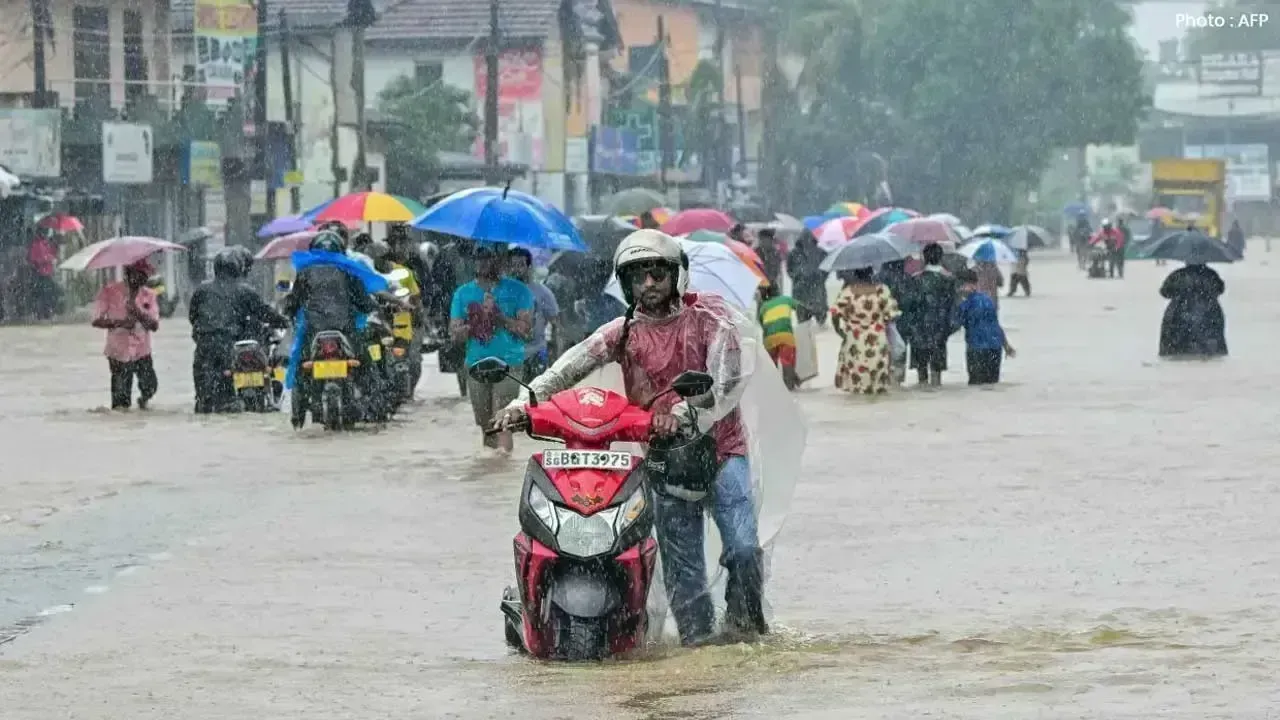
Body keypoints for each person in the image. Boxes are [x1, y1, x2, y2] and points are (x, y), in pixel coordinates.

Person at [497, 229, 768, 646]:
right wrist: (523, 403)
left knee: (745, 548)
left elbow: (726, 380)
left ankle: (745, 630)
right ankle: (698, 650)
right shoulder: (622, 331)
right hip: (664, 458)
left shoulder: (711, 318)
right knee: (683, 569)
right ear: (626, 284)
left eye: (658, 273)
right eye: (638, 276)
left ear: (677, 275)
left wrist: (685, 412)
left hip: (722, 450)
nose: (649, 284)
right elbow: (570, 366)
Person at [282, 231, 380, 428]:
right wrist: (373, 306)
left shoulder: (305, 273)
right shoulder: (348, 271)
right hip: (345, 331)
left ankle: (298, 416)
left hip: (314, 332)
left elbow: (293, 303)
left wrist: (289, 313)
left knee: (301, 369)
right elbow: (364, 303)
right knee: (368, 368)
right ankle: (374, 410)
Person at [450, 243, 534, 453]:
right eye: (479, 258)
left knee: (502, 421)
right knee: (486, 424)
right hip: (476, 363)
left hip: (509, 363)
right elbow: (455, 335)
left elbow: (525, 331)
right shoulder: (463, 293)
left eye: (488, 257)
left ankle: (503, 465)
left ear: (499, 260)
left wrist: (499, 316)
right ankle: (490, 467)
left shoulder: (519, 290)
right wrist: (477, 321)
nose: (483, 263)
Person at [188, 249, 288, 413]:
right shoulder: (245, 291)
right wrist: (284, 321)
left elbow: (193, 317)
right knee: (226, 398)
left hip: (205, 347)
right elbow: (265, 313)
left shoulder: (202, 290)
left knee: (203, 398)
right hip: (232, 346)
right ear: (238, 268)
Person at [92, 259, 161, 410]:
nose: (144, 278)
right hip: (118, 351)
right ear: (128, 274)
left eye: (145, 274)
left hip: (142, 350)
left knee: (150, 386)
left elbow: (154, 325)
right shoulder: (109, 292)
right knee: (121, 402)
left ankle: (143, 401)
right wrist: (120, 323)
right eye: (140, 274)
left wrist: (138, 313)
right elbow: (96, 320)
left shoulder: (149, 295)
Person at [830, 266, 900, 395]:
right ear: (872, 273)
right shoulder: (882, 290)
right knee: (878, 385)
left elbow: (834, 313)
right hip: (877, 341)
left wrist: (838, 330)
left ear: (855, 274)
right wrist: (878, 323)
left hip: (854, 342)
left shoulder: (848, 292)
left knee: (856, 385)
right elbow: (892, 315)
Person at [954, 269, 1016, 385]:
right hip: (995, 348)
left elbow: (955, 324)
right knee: (992, 385)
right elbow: (995, 325)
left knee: (975, 386)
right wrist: (1006, 346)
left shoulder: (964, 303)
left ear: (962, 285)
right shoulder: (987, 299)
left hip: (977, 349)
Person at [507, 246, 559, 379]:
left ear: (529, 267)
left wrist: (553, 354)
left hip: (536, 354)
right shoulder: (501, 292)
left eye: (520, 265)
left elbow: (554, 322)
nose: (516, 269)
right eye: (513, 265)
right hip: (509, 354)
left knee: (535, 391)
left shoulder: (543, 292)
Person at [912, 243, 959, 387]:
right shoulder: (949, 279)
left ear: (924, 258)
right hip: (940, 328)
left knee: (921, 370)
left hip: (919, 329)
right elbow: (953, 307)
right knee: (936, 369)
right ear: (941, 258)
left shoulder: (915, 279)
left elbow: (910, 306)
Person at [1159, 261, 1227, 358]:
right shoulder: (1211, 275)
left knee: (1178, 348)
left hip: (1180, 313)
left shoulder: (1178, 275)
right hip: (1208, 313)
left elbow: (1164, 292)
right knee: (1210, 348)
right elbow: (1220, 289)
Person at [757, 282, 800, 390]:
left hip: (769, 339)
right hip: (786, 336)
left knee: (771, 365)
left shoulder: (764, 306)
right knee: (787, 361)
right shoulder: (786, 300)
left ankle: (774, 388)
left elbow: (762, 323)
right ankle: (789, 387)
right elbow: (800, 308)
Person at [786, 231, 828, 325]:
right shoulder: (793, 253)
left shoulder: (821, 253)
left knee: (818, 322)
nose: (807, 242)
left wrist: (818, 277)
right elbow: (789, 270)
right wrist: (799, 276)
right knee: (804, 324)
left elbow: (826, 270)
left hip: (816, 293)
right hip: (803, 292)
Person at [26, 228, 59, 320]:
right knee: (42, 294)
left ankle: (46, 312)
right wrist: (44, 261)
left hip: (47, 273)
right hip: (40, 273)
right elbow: (33, 260)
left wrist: (54, 249)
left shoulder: (47, 244)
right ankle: (41, 313)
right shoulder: (36, 244)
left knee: (48, 294)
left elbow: (53, 254)